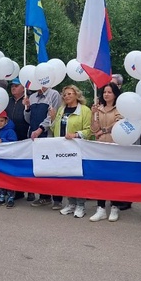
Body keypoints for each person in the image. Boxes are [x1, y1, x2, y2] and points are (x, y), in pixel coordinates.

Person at [50, 85, 93, 218]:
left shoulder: (84, 110)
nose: (66, 96)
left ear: (76, 95)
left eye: (70, 93)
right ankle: (71, 203)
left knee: (78, 177)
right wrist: (52, 118)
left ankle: (80, 205)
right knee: (67, 176)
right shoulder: (61, 109)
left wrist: (76, 134)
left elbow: (89, 130)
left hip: (78, 148)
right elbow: (54, 129)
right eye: (65, 94)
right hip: (63, 148)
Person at [89, 82, 124, 222]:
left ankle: (115, 206)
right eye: (104, 92)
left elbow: (119, 123)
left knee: (113, 177)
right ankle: (101, 208)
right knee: (100, 177)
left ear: (115, 94)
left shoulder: (119, 108)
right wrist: (94, 115)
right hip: (100, 147)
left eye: (109, 92)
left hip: (114, 146)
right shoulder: (100, 108)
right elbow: (93, 129)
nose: (106, 94)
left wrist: (103, 130)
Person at [26, 84, 62, 207]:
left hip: (48, 135)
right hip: (34, 137)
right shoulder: (31, 97)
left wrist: (41, 129)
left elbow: (53, 116)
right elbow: (28, 119)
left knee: (53, 167)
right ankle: (44, 196)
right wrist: (26, 109)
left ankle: (57, 199)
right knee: (41, 166)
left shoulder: (54, 94)